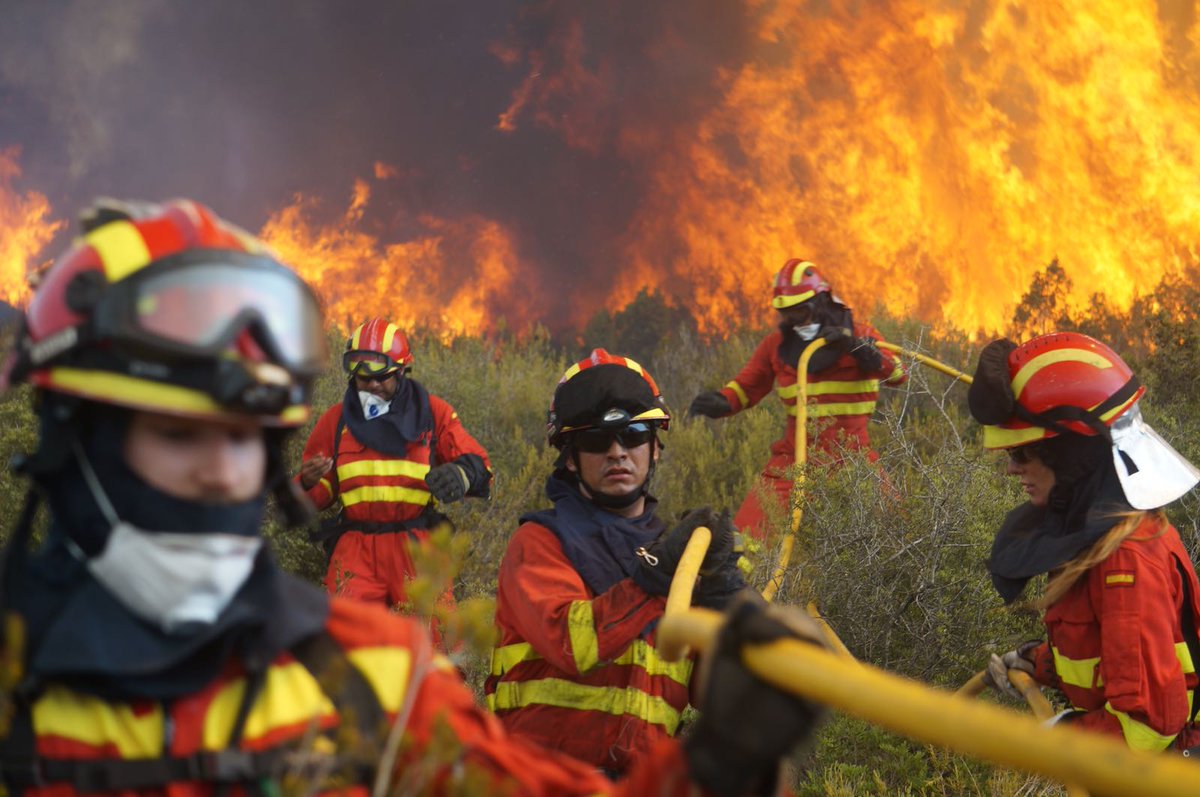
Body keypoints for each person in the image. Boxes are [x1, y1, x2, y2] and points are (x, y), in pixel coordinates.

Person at [0, 198, 826, 797]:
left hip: (413, 551)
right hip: (360, 546)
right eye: (176, 433)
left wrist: (718, 762)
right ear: (74, 444)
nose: (222, 473)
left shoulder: (364, 670)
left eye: (245, 435)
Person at [487, 348, 748, 777]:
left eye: (633, 435)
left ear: (655, 448)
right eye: (595, 440)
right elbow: (573, 643)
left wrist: (728, 602)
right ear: (570, 458)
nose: (616, 452)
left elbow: (724, 698)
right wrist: (657, 577)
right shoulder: (539, 543)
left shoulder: (681, 557)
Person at [969, 331, 1200, 753]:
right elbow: (1110, 652)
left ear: (1073, 455)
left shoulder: (1125, 563)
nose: (1011, 469)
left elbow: (1148, 727)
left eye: (1022, 454)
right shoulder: (1093, 537)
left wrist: (1055, 739)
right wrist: (1038, 662)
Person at [689, 259, 907, 538]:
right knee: (745, 539)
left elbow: (899, 373)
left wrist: (859, 350)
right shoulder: (777, 346)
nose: (794, 320)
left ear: (821, 301)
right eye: (787, 313)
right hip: (793, 461)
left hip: (852, 460)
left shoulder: (861, 334)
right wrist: (722, 401)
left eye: (800, 311)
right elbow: (748, 385)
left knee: (898, 535)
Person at [297, 317, 492, 627]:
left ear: (402, 371)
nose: (372, 385)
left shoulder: (432, 414)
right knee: (345, 642)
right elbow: (316, 496)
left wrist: (460, 475)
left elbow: (480, 463)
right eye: (362, 378)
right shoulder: (336, 422)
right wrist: (307, 482)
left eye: (382, 377)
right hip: (356, 549)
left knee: (433, 643)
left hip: (417, 547)